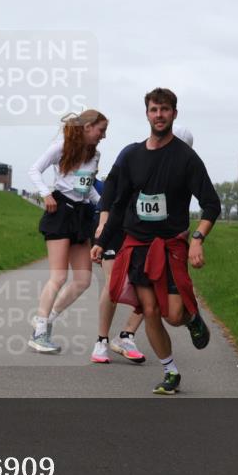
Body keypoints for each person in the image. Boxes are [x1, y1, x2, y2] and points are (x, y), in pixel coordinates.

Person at [92, 88, 220, 394]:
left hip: (170, 246)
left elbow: (212, 204)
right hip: (138, 244)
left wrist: (198, 239)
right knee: (148, 308)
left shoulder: (186, 158)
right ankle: (170, 371)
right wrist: (102, 239)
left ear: (174, 114)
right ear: (147, 114)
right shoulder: (133, 155)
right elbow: (120, 204)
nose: (159, 115)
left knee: (172, 314)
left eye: (164, 110)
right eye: (153, 109)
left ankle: (191, 318)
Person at [92, 125, 195, 365]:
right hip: (116, 226)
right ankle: (101, 341)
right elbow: (110, 190)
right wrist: (103, 224)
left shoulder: (179, 169)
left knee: (149, 286)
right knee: (114, 284)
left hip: (145, 234)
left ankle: (126, 335)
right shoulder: (133, 153)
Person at [27, 110, 108, 354]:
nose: (104, 136)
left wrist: (103, 204)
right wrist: (46, 194)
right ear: (87, 127)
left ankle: (47, 319)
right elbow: (34, 170)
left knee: (83, 280)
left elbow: (87, 189)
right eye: (101, 130)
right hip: (61, 212)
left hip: (81, 215)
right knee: (59, 276)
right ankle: (39, 333)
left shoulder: (95, 155)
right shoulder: (60, 147)